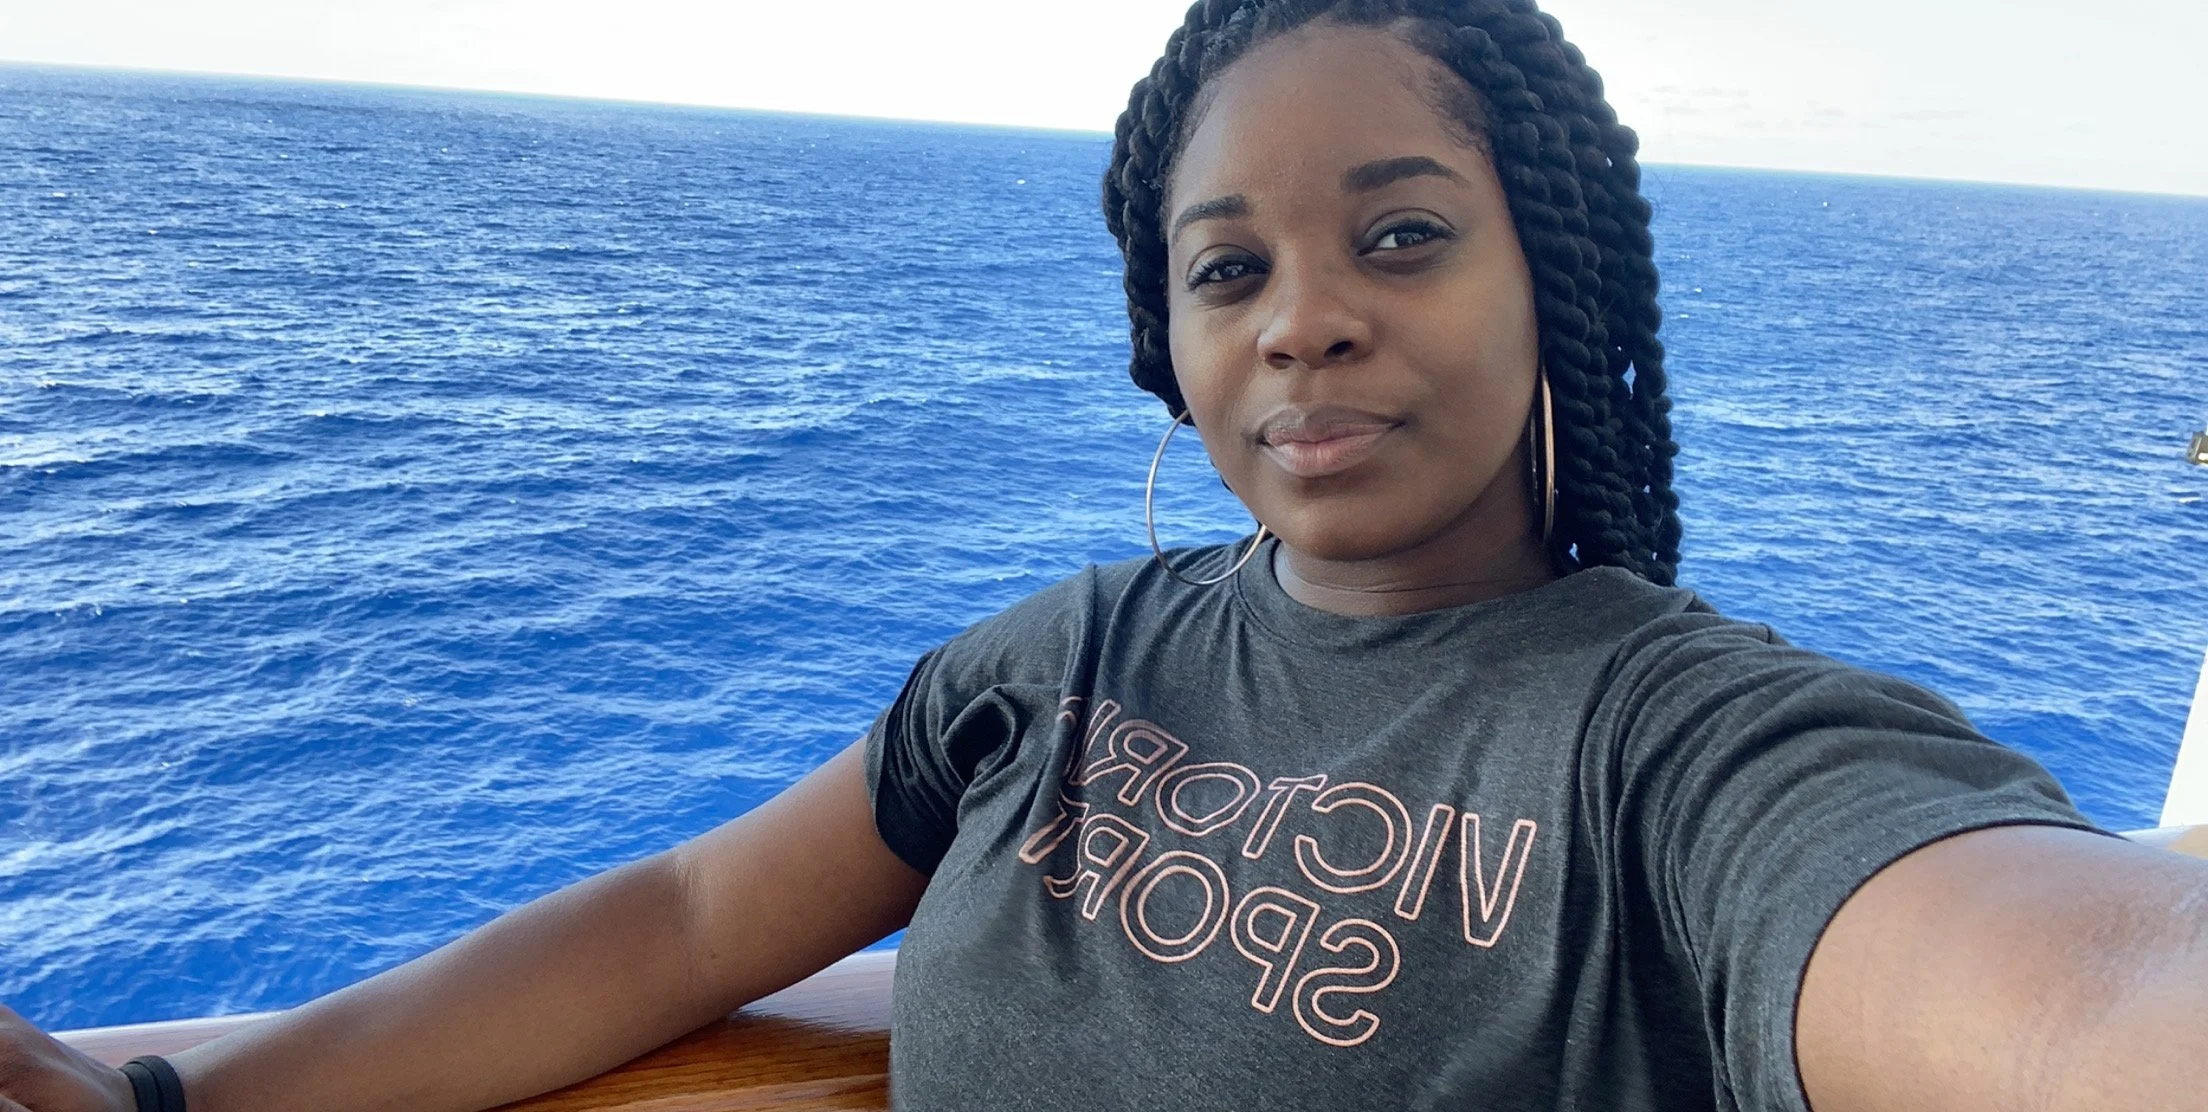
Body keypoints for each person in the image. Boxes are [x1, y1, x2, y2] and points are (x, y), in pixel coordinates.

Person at [4, 1, 2205, 1109]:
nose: (1303, 316)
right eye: (1225, 264)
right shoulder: (1058, 665)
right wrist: (168, 1083)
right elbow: (686, 914)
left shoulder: (1679, 746)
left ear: (1566, 293)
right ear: (1165, 338)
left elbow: (2092, 985)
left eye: (1403, 236)